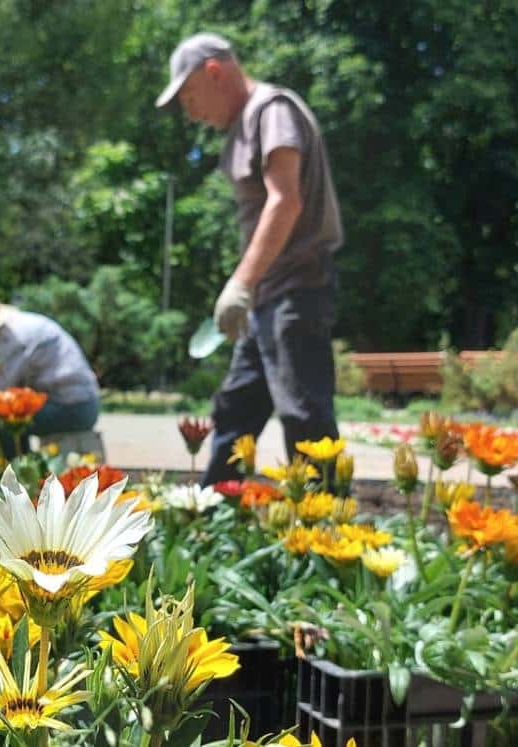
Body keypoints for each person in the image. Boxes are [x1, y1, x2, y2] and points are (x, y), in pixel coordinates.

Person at [156, 32, 343, 485]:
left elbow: (285, 201)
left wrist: (240, 284)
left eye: (189, 95)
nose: (190, 111)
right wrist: (248, 289)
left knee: (304, 417)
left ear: (214, 72)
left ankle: (331, 535)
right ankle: (210, 517)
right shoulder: (243, 126)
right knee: (235, 410)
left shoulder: (271, 110)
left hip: (298, 290)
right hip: (266, 297)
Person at [0, 288, 101, 461]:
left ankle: (16, 475)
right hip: (69, 400)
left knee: (1, 424)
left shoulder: (11, 342)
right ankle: (25, 466)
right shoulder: (11, 327)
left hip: (74, 408)